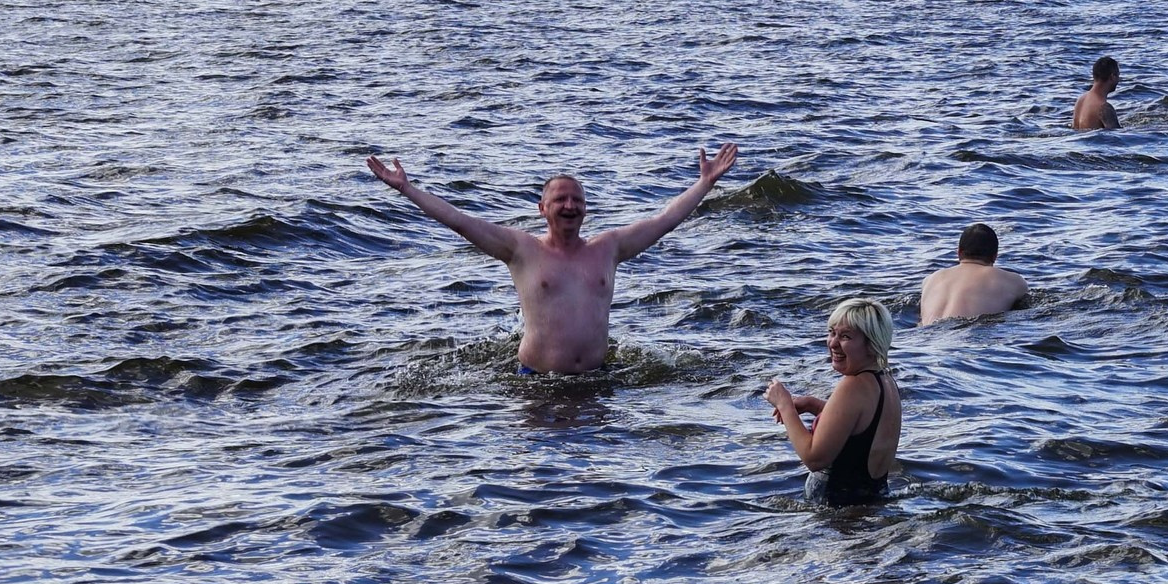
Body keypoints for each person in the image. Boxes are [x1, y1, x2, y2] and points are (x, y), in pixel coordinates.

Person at [364, 145, 739, 374]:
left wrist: (705, 184)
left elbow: (664, 220)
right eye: (560, 199)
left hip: (598, 378)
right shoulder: (520, 249)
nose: (570, 206)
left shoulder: (608, 247)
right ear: (543, 208)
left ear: (586, 209)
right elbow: (459, 221)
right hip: (536, 381)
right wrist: (408, 189)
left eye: (577, 200)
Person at [764, 298, 903, 505]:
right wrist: (813, 405)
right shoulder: (884, 381)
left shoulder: (853, 386)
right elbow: (861, 429)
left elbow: (814, 458)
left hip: (839, 518)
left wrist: (785, 406)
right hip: (871, 505)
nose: (833, 343)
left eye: (845, 336)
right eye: (831, 332)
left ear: (872, 345)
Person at [920, 223, 1030, 323]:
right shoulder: (1014, 282)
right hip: (966, 334)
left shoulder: (929, 280)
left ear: (959, 252)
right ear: (995, 256)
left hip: (925, 337)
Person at [1072, 56, 1120, 131]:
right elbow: (1117, 138)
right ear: (1112, 77)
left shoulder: (1080, 100)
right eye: (1118, 76)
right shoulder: (1104, 108)